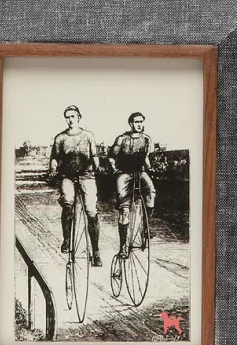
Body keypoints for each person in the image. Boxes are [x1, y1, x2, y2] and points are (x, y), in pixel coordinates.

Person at [49, 105, 102, 267]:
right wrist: (53, 168)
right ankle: (66, 239)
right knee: (67, 202)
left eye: (72, 116)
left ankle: (96, 251)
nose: (70, 120)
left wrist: (97, 166)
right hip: (68, 177)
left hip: (87, 176)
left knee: (91, 211)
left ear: (79, 117)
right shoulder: (60, 138)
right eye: (67, 117)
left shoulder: (88, 136)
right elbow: (54, 158)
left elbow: (94, 155)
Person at [108, 112, 156, 259]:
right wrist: (114, 169)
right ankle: (123, 247)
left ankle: (146, 228)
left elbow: (146, 158)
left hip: (140, 172)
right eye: (136, 122)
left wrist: (150, 168)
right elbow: (111, 156)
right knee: (124, 210)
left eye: (141, 122)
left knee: (151, 193)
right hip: (125, 173)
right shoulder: (122, 139)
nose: (139, 124)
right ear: (131, 124)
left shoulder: (147, 139)